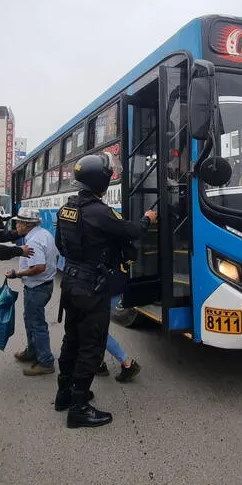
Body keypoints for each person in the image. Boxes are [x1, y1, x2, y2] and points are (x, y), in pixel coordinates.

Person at [54, 152, 157, 428]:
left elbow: (61, 246)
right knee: (91, 345)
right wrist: (148, 218)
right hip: (92, 288)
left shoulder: (67, 208)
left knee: (71, 341)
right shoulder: (100, 212)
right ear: (101, 181)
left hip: (71, 284)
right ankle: (79, 408)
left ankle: (64, 394)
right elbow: (131, 231)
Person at [6, 207, 58, 376]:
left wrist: (17, 273)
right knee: (30, 320)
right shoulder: (44, 234)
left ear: (26, 224)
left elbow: (39, 267)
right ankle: (32, 351)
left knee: (36, 324)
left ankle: (45, 361)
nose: (16, 226)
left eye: (18, 223)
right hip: (44, 285)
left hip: (37, 287)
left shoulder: (34, 240)